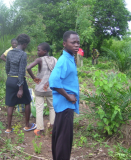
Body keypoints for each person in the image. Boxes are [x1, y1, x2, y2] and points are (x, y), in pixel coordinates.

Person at [49, 31, 79, 160]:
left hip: (65, 105)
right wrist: (68, 97)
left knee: (60, 136)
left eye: (78, 42)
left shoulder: (69, 58)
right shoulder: (63, 60)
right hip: (65, 105)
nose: (76, 45)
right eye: (73, 42)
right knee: (64, 140)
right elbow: (53, 81)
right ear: (64, 43)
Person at [5, 34, 36, 133]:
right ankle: (27, 125)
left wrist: (10, 77)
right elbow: (21, 71)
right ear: (25, 44)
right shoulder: (23, 54)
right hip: (19, 81)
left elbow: (7, 67)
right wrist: (20, 88)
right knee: (27, 101)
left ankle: (9, 128)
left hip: (10, 79)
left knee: (10, 104)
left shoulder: (9, 52)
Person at [27, 42, 57, 136]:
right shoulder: (55, 59)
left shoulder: (39, 60)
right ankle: (52, 128)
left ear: (45, 51)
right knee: (52, 107)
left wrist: (34, 78)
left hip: (40, 88)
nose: (37, 52)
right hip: (51, 88)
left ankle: (40, 129)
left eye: (38, 50)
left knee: (39, 108)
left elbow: (28, 67)